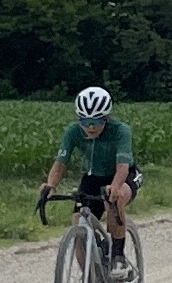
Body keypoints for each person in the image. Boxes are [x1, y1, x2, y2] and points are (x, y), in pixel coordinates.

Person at [39, 82, 136, 247]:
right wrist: (51, 185)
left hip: (123, 176)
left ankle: (118, 257)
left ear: (106, 118)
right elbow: (60, 163)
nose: (90, 127)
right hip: (93, 178)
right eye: (85, 121)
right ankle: (89, 268)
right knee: (78, 224)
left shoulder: (120, 131)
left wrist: (115, 186)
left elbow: (122, 167)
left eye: (96, 122)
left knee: (113, 201)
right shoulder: (73, 131)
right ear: (79, 119)